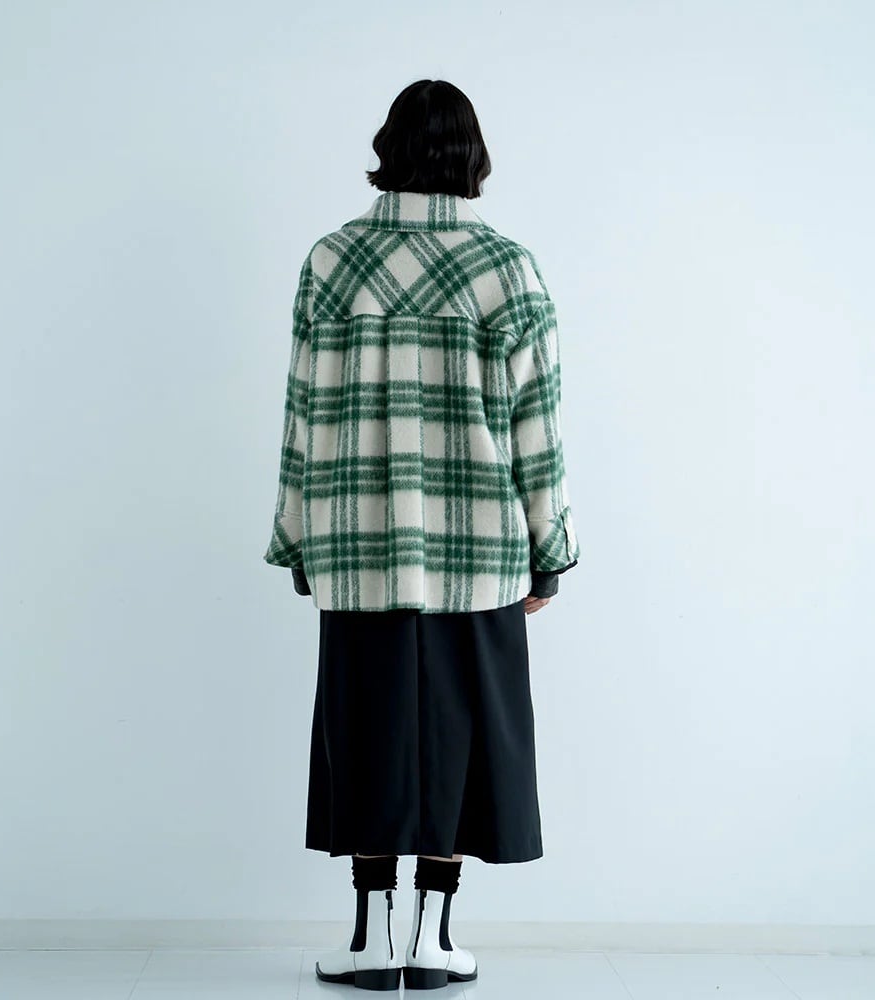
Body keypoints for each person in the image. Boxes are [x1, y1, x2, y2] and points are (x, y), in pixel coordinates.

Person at [263, 79, 580, 991]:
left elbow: (301, 413)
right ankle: (435, 941)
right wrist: (550, 547)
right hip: (479, 553)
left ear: (387, 149)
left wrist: (295, 536)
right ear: (473, 157)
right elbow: (538, 426)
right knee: (465, 747)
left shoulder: (332, 261)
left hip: (356, 547)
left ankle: (371, 941)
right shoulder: (507, 268)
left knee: (364, 738)